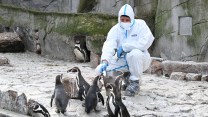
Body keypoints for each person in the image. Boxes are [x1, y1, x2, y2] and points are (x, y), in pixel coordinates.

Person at [95, 4, 154, 97]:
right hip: (123, 59)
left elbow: (147, 41)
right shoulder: (115, 29)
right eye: (122, 20)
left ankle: (135, 81)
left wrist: (125, 47)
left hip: (140, 59)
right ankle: (125, 78)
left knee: (134, 54)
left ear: (132, 18)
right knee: (106, 69)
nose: (125, 22)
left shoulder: (140, 25)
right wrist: (105, 61)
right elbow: (109, 45)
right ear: (119, 19)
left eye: (127, 20)